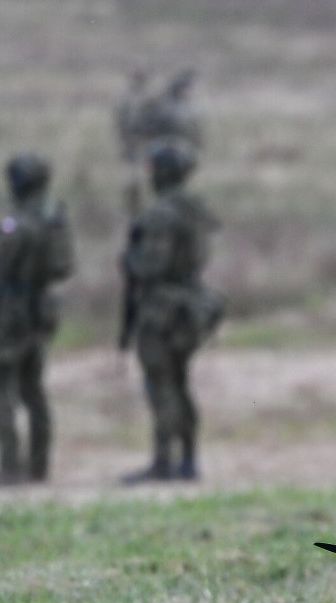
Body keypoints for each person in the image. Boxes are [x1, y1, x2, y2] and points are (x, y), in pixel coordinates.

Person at [0, 153, 75, 487]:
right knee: (33, 388)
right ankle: (39, 466)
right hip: (41, 312)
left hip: (12, 315)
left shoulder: (14, 228)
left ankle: (11, 466)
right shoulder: (53, 220)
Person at [120, 140, 223, 482]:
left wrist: (129, 260)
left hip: (161, 309)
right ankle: (189, 459)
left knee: (161, 383)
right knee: (179, 382)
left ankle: (164, 461)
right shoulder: (194, 207)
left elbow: (151, 265)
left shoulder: (160, 213)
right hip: (190, 304)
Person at [115, 68, 155, 218]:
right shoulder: (126, 98)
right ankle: (132, 207)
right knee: (131, 179)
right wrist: (122, 141)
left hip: (144, 142)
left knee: (144, 177)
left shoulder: (150, 97)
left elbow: (155, 119)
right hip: (131, 142)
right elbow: (120, 121)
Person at [147, 69, 204, 151]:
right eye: (185, 89)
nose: (188, 92)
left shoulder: (191, 108)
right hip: (166, 144)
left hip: (184, 145)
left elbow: (196, 131)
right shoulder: (167, 107)